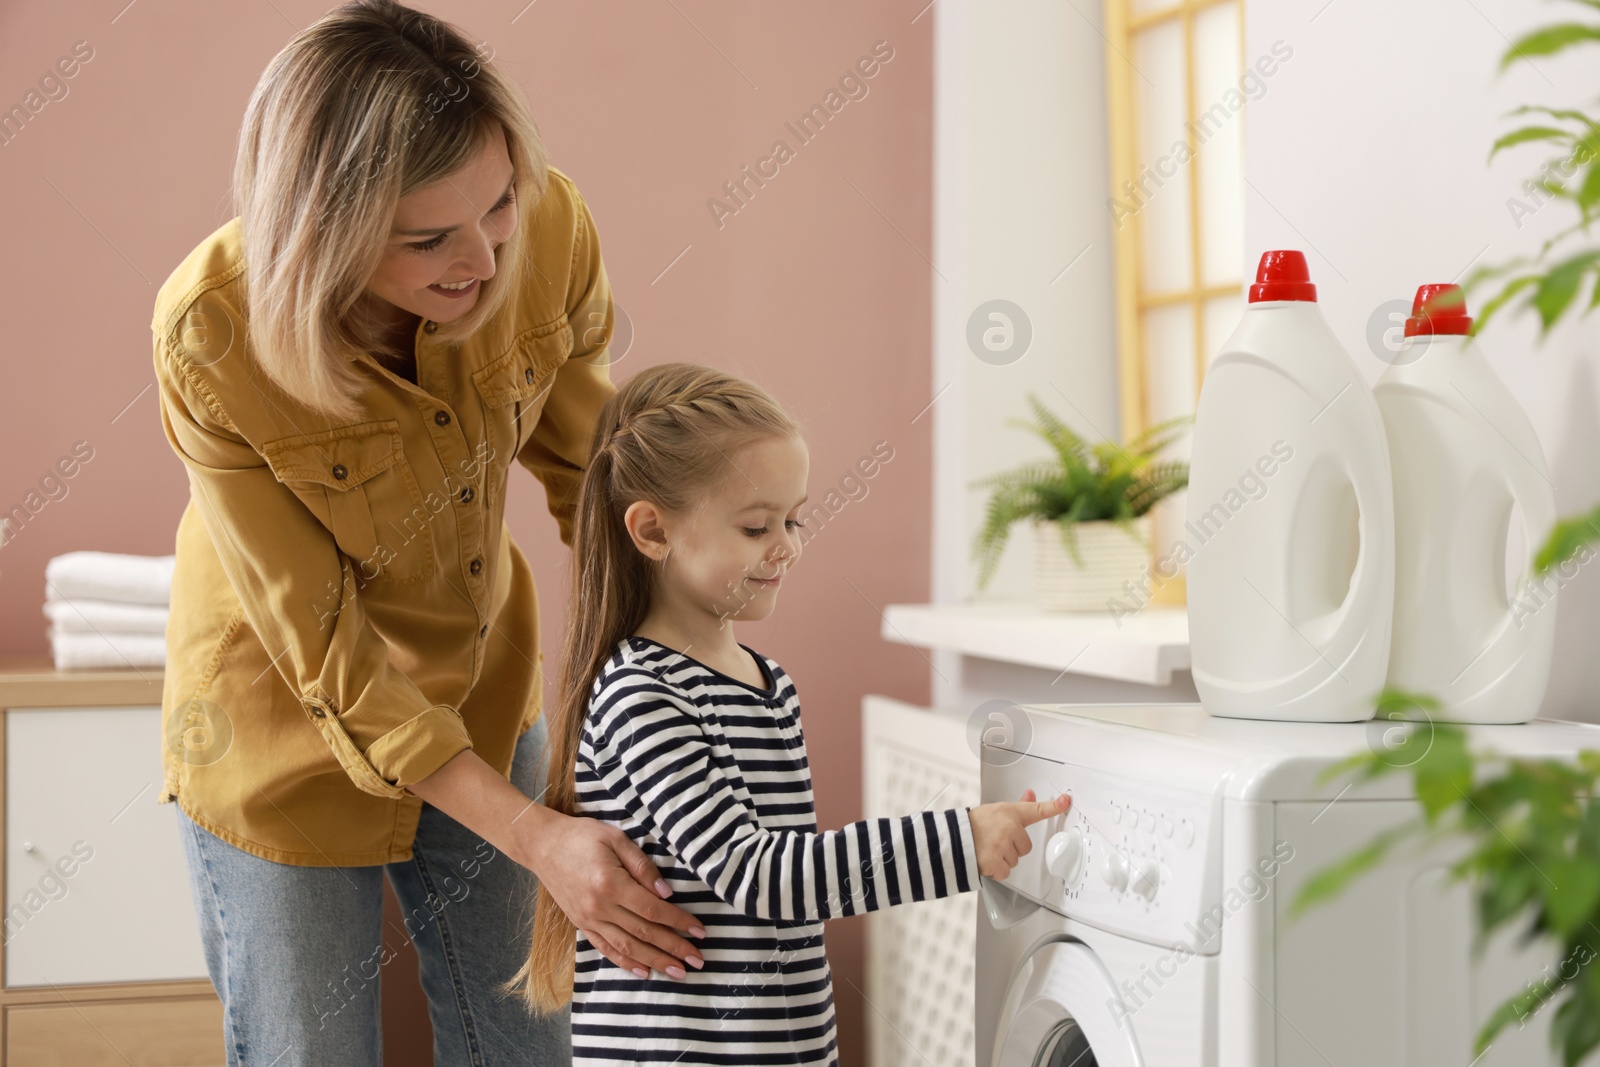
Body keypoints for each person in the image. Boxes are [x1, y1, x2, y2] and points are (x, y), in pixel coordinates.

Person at [151, 3, 701, 1064]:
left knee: (527, 1042)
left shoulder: (545, 231)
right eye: (427, 238)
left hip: (476, 691)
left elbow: (594, 471)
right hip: (278, 727)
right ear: (323, 231)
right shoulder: (210, 333)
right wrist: (536, 834)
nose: (485, 259)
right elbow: (326, 647)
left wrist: (668, 657)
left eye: (495, 207)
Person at [502, 362, 1072, 1065]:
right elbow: (759, 874)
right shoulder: (643, 695)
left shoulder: (767, 684)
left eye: (794, 518)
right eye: (755, 526)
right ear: (652, 531)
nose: (789, 545)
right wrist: (959, 842)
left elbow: (783, 902)